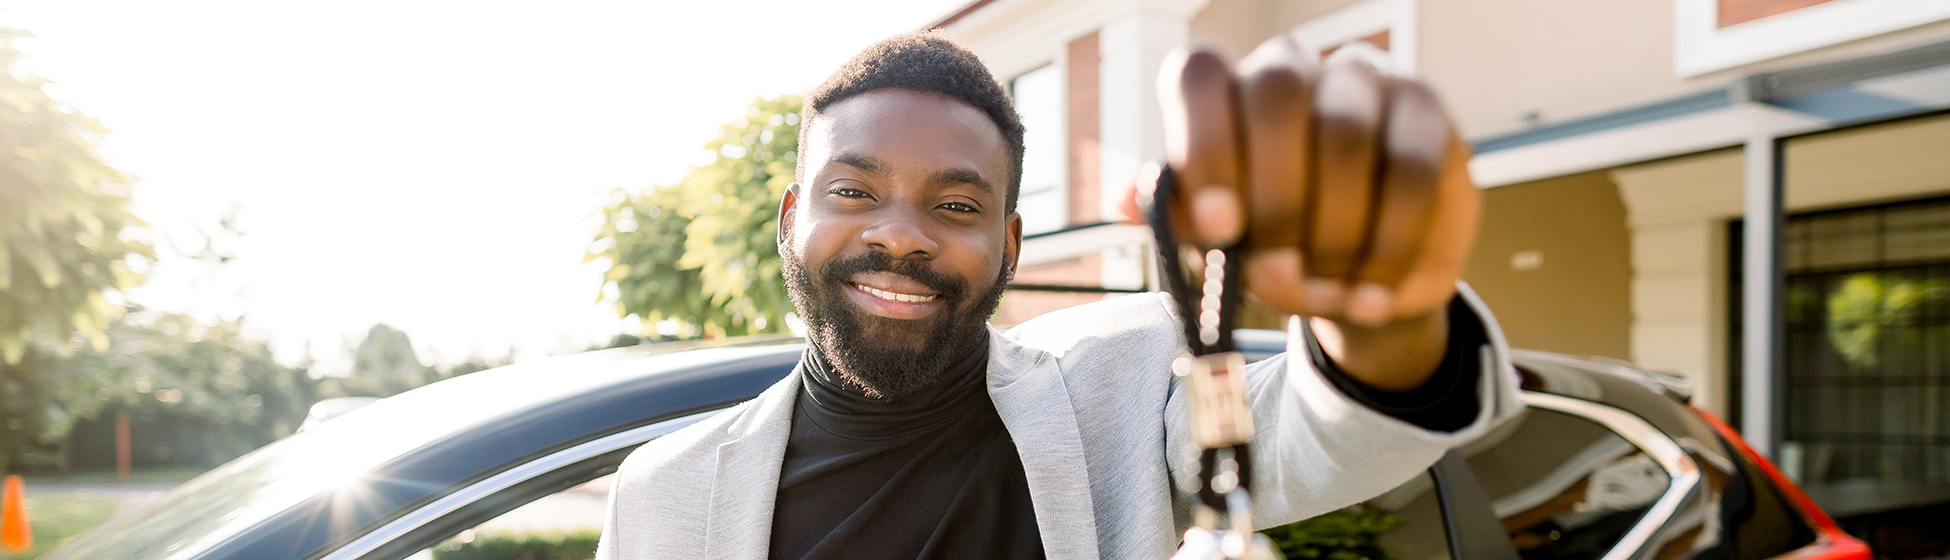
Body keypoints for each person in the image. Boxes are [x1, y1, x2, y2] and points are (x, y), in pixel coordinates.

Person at [596, 31, 1521, 560]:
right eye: (854, 190)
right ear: (793, 215)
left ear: (1007, 245)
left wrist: (1381, 311)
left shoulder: (1124, 386)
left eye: (956, 205)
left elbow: (1321, 433)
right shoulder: (663, 494)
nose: (903, 233)